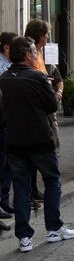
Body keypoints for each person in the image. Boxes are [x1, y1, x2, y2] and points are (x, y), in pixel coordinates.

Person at [0, 36, 74, 252]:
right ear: (27, 55)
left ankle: (24, 237)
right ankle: (54, 228)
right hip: (39, 139)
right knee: (52, 181)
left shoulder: (4, 77)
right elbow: (52, 105)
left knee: (22, 188)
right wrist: (52, 89)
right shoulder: (37, 77)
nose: (37, 56)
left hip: (15, 140)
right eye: (35, 52)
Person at [24, 18, 53, 209]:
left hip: (42, 107)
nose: (49, 36)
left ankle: (33, 190)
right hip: (33, 111)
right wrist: (46, 82)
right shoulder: (31, 52)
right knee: (29, 157)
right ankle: (29, 193)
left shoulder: (40, 53)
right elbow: (36, 77)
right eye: (47, 33)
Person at [0, 32, 17, 228]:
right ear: (6, 47)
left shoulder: (9, 65)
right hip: (2, 119)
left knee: (7, 164)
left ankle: (4, 200)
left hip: (8, 120)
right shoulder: (2, 65)